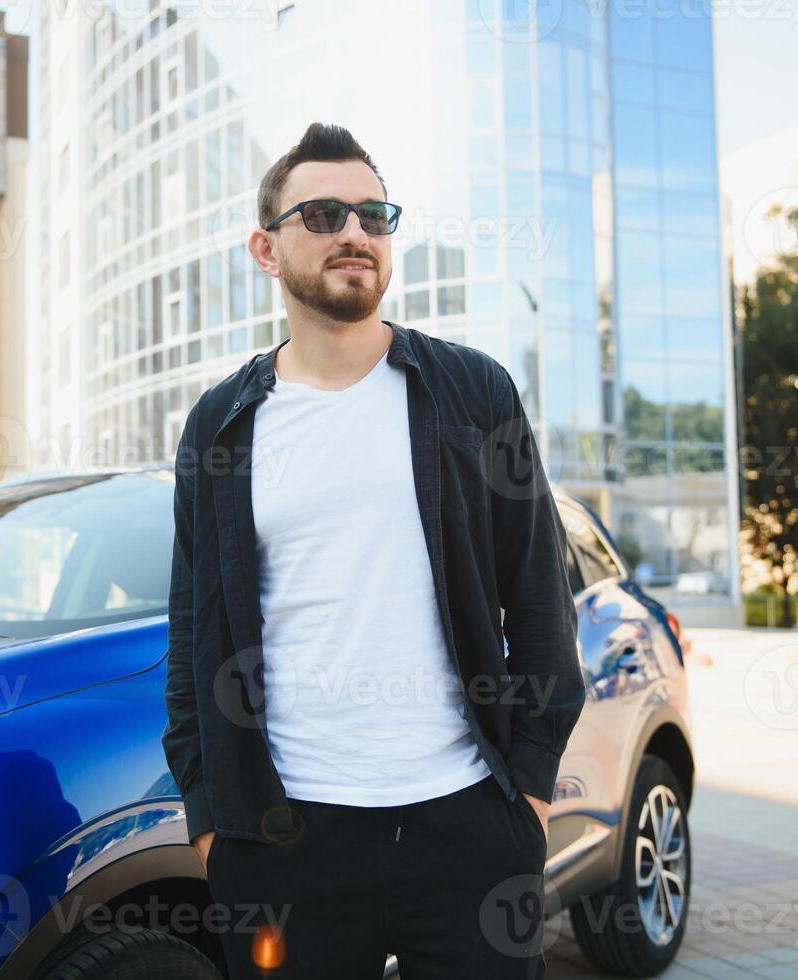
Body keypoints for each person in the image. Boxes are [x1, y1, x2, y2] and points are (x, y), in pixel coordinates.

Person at [163, 121, 585, 979]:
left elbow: (540, 597)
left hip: (467, 826)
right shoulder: (222, 425)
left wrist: (528, 801)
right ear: (266, 248)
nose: (354, 232)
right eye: (322, 214)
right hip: (285, 840)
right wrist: (212, 822)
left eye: (373, 214)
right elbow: (190, 633)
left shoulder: (472, 391)